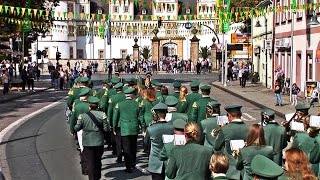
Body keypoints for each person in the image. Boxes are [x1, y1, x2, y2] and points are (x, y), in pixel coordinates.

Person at [74, 96, 108, 180]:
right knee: (98, 161)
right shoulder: (102, 115)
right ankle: (97, 177)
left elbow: (77, 128)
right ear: (97, 106)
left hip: (88, 141)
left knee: (90, 162)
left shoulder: (83, 116)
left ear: (89, 106)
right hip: (99, 141)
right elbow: (106, 128)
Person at [214, 105, 249, 180]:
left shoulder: (225, 129)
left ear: (229, 116)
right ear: (240, 115)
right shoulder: (248, 128)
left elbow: (216, 146)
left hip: (230, 170)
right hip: (244, 170)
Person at [113, 87, 141, 173]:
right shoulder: (137, 104)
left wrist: (114, 127)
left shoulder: (120, 104)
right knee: (133, 146)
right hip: (134, 126)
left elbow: (115, 117)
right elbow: (140, 116)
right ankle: (133, 163)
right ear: (132, 95)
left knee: (126, 147)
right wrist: (141, 127)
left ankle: (128, 166)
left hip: (124, 128)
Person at [145, 103, 174, 180]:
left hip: (155, 160)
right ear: (166, 113)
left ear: (156, 114)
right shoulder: (172, 127)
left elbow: (146, 143)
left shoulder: (151, 129)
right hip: (169, 160)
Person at [107, 82, 126, 162]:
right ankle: (126, 155)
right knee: (125, 141)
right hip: (125, 120)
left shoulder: (113, 98)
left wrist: (109, 121)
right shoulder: (126, 96)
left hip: (117, 121)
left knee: (118, 141)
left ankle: (119, 156)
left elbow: (110, 111)